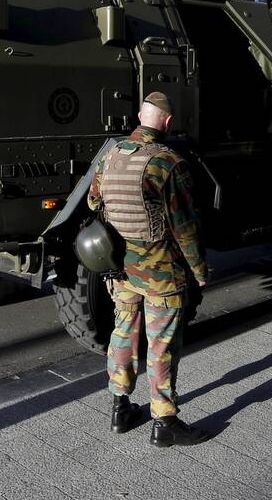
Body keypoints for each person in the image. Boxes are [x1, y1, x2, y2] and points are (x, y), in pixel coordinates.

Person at [88, 92, 210, 447]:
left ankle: (119, 407)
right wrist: (200, 271)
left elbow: (94, 201)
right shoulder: (167, 163)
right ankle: (164, 422)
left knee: (123, 331)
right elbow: (184, 227)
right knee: (161, 345)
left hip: (119, 267)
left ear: (140, 116)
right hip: (160, 273)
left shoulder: (111, 156)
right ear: (168, 122)